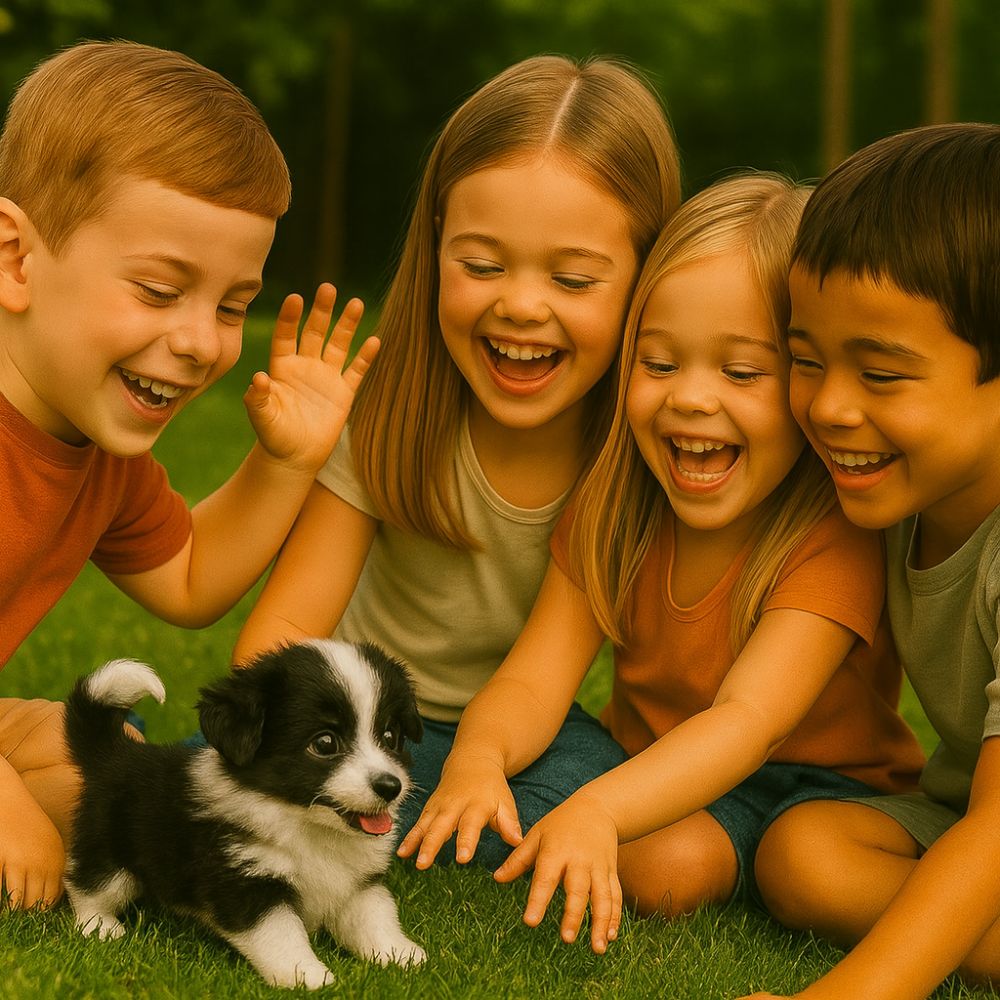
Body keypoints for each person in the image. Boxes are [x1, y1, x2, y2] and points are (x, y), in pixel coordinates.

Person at [399, 173, 926, 955]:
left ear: (807, 384)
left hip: (815, 790)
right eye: (659, 364)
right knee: (502, 783)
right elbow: (533, 681)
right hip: (645, 765)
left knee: (667, 867)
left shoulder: (830, 535)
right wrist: (479, 759)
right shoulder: (617, 506)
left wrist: (600, 810)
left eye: (741, 372)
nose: (691, 400)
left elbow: (747, 722)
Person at [232, 54, 681, 864]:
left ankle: (422, 820)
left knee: (601, 815)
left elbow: (538, 681)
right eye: (481, 266)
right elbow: (283, 635)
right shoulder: (389, 415)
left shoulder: (624, 459)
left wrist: (479, 766)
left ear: (646, 279)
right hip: (356, 721)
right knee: (224, 788)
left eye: (573, 279)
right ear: (436, 246)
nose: (521, 304)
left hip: (520, 734)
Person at [0, 41, 378, 912]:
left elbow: (190, 578)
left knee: (103, 769)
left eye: (232, 305)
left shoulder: (99, 456)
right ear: (16, 260)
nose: (203, 341)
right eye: (160, 290)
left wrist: (284, 462)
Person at [740, 124, 1000, 1000]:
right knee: (803, 854)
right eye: (806, 361)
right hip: (964, 814)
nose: (829, 408)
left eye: (882, 376)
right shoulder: (896, 493)